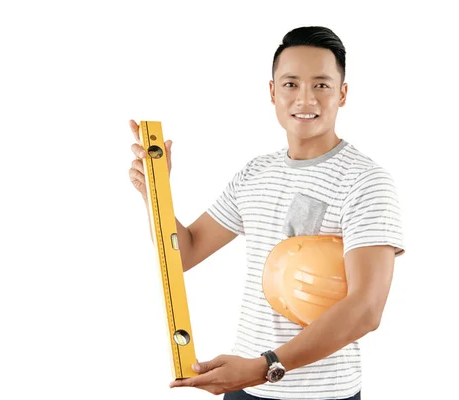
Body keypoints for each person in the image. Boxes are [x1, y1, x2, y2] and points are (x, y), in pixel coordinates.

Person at [128, 26, 405, 400]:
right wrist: (156, 193)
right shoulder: (255, 174)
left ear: (342, 93)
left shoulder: (366, 182)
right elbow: (185, 252)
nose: (305, 98)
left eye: (321, 85)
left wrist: (265, 366)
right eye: (291, 84)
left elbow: (366, 309)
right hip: (246, 387)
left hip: (320, 394)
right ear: (272, 92)